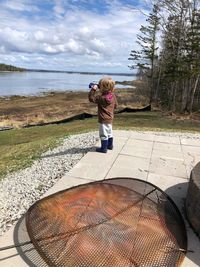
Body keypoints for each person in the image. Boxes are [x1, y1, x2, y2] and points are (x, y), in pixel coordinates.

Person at [88, 77, 118, 153]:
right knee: (109, 132)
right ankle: (110, 146)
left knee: (103, 134)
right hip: (110, 118)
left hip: (103, 119)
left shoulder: (101, 98)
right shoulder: (113, 96)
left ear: (102, 88)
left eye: (100, 85)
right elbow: (116, 106)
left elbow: (91, 98)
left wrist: (93, 90)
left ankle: (103, 148)